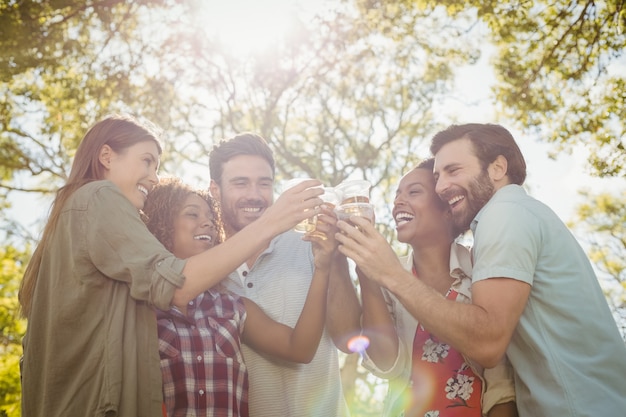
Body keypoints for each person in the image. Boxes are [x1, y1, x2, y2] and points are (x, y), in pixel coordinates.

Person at [18, 114, 324, 417]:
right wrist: (272, 220)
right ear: (107, 157)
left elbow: (297, 347)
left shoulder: (75, 221)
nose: (153, 177)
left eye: (157, 166)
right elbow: (176, 285)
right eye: (147, 161)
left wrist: (323, 266)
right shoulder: (99, 196)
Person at [337, 123, 626, 416]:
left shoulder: (504, 213)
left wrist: (389, 272)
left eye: (454, 170)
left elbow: (487, 343)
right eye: (438, 177)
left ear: (498, 168)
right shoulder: (514, 216)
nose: (441, 187)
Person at [335, 159, 517, 417]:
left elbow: (502, 386)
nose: (398, 202)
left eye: (413, 192)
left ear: (447, 209)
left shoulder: (481, 271)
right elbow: (387, 364)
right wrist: (367, 270)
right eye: (397, 194)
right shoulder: (388, 276)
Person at [142, 177, 336, 417]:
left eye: (211, 219)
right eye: (192, 214)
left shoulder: (231, 307)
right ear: (161, 225)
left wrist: (322, 268)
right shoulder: (138, 306)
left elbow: (300, 349)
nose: (208, 224)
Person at [208, 133, 355, 416]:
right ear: (215, 189)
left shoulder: (308, 241)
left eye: (264, 183)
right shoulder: (208, 270)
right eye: (240, 183)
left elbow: (349, 340)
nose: (254, 194)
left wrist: (335, 262)